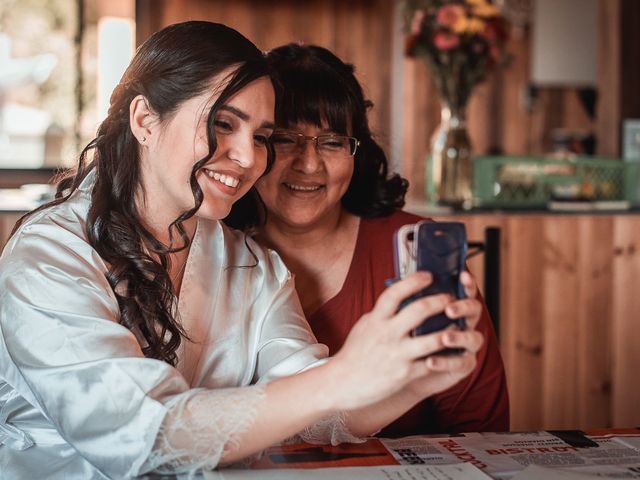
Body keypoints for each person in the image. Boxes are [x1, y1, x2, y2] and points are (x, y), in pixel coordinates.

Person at [0, 22, 485, 478]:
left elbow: (315, 411)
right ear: (146, 119)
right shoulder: (49, 255)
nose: (250, 158)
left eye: (262, 137)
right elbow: (138, 429)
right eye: (223, 124)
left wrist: (413, 378)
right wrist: (344, 374)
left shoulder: (250, 263)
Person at [229, 43, 509, 437]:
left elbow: (480, 425)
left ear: (356, 152)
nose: (309, 164)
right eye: (285, 139)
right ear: (253, 147)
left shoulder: (412, 251)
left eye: (332, 142)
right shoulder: (214, 254)